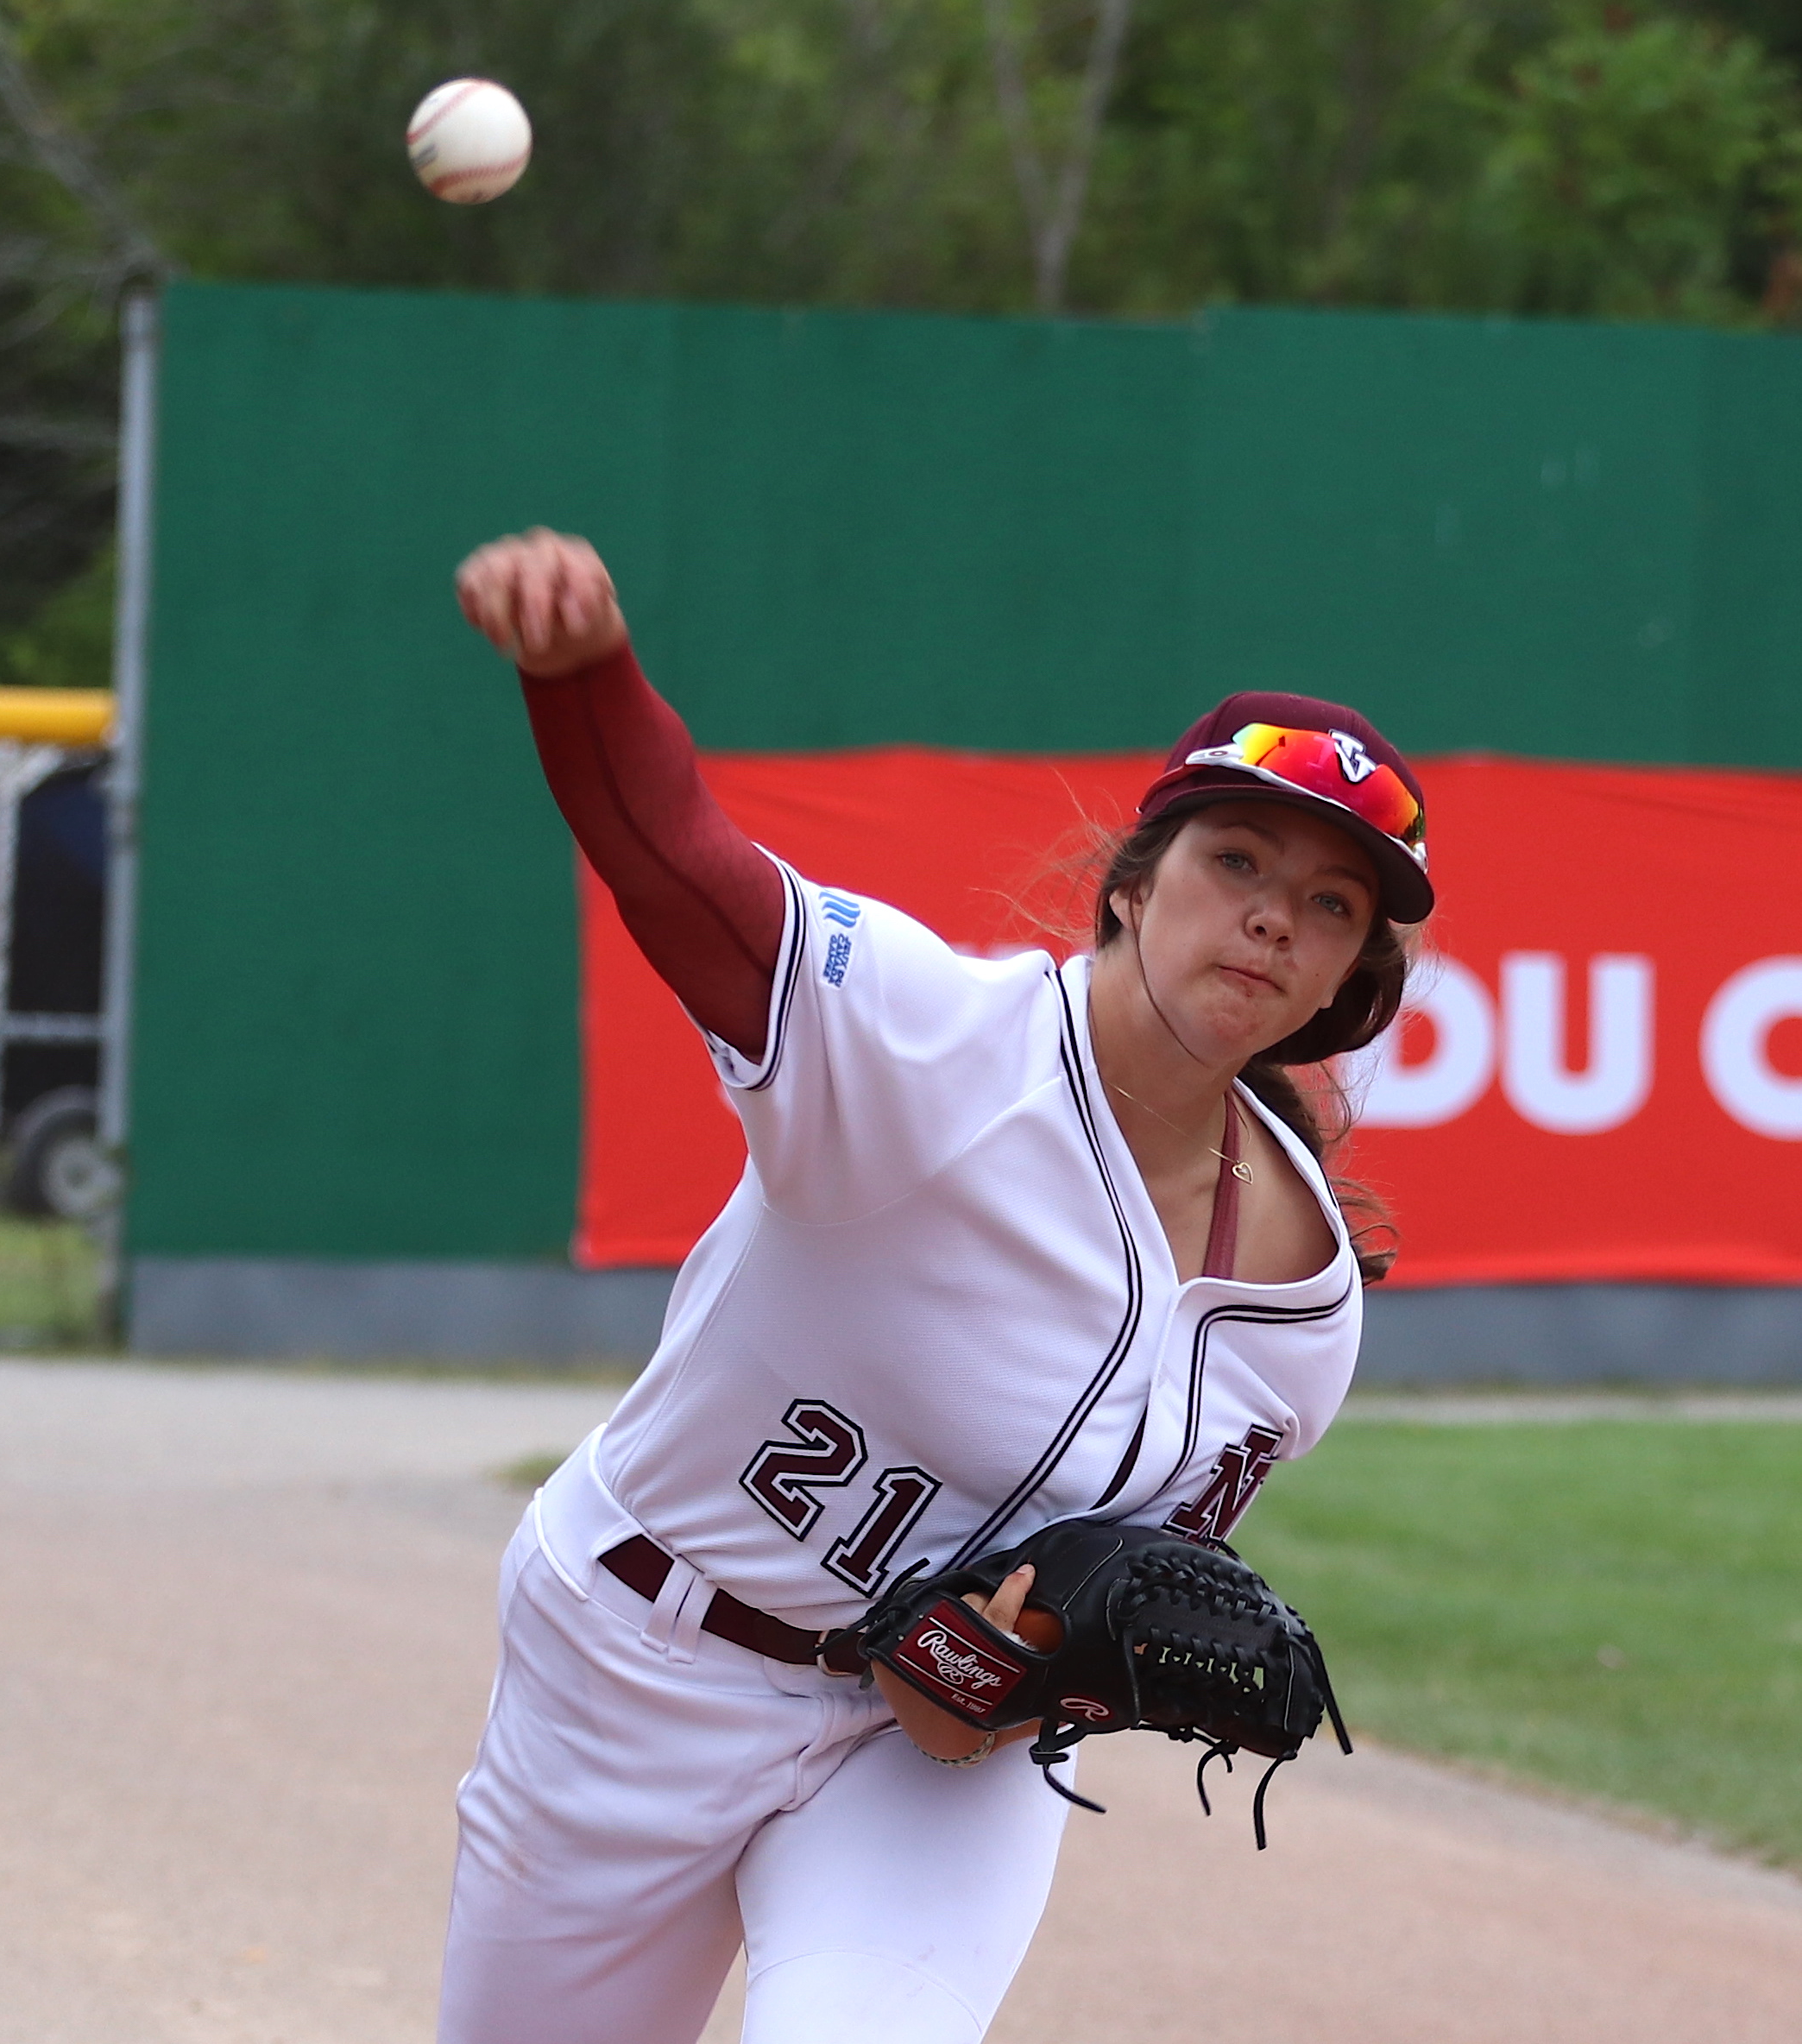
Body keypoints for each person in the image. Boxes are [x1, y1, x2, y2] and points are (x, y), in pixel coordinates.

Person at [440, 527, 1434, 2044]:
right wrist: (584, 676)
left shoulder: (1304, 1307)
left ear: (1338, 985)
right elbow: (676, 865)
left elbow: (1115, 1602)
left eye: (1328, 907)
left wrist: (1022, 1684)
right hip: (635, 1657)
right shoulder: (922, 1050)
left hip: (915, 1769)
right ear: (1131, 886)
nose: (1270, 918)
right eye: (1237, 861)